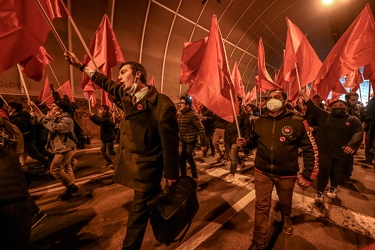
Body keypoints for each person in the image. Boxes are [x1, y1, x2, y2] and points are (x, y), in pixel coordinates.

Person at [64, 51, 180, 249]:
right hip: (135, 165)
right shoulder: (128, 97)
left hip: (148, 169)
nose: (118, 77)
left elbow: (170, 144)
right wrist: (81, 66)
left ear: (137, 75)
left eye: (123, 72)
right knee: (156, 203)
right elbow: (105, 82)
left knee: (137, 212)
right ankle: (168, 228)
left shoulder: (162, 104)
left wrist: (171, 175)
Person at [237, 90, 318, 250]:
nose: (272, 100)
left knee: (285, 201)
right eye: (270, 98)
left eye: (276, 98)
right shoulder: (259, 121)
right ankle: (258, 241)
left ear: (284, 100)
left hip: (286, 174)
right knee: (261, 206)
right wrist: (245, 143)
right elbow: (254, 141)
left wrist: (308, 175)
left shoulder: (297, 121)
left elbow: (310, 149)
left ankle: (286, 217)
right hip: (262, 172)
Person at [300, 92, 363, 204]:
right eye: (335, 106)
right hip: (325, 150)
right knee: (323, 171)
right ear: (330, 108)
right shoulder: (325, 116)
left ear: (346, 107)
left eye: (341, 105)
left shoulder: (353, 120)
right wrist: (306, 98)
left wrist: (351, 145)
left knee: (337, 171)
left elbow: (358, 132)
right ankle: (319, 192)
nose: (338, 107)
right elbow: (313, 108)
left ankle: (333, 187)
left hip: (341, 152)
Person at [29, 100, 79, 201]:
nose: (51, 108)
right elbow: (43, 118)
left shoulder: (66, 119)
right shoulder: (58, 117)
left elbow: (56, 128)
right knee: (66, 167)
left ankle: (71, 187)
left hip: (65, 148)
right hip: (63, 147)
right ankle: (71, 185)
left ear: (60, 109)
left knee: (55, 169)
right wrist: (35, 107)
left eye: (54, 106)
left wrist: (48, 119)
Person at [8, 102, 50, 170]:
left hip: (26, 140)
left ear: (14, 110)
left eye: (9, 108)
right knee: (30, 153)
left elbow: (21, 130)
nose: (8, 109)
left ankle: (48, 165)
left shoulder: (19, 119)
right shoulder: (20, 117)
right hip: (27, 139)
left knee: (35, 154)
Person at [177, 95, 206, 182]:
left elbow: (201, 129)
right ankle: (195, 175)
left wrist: (203, 144)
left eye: (182, 103)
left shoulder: (193, 115)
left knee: (182, 160)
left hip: (191, 141)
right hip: (184, 141)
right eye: (180, 102)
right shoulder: (180, 114)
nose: (179, 104)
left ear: (188, 105)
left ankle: (184, 178)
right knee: (189, 158)